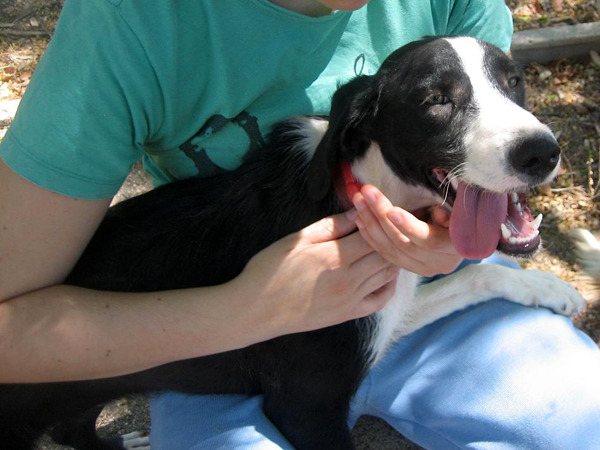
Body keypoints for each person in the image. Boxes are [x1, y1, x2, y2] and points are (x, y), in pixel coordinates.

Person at [1, 0, 599, 448]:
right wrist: (246, 310)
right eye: (438, 99)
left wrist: (457, 256)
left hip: (414, 302)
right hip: (206, 337)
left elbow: (493, 145)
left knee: (585, 419)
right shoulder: (133, 22)